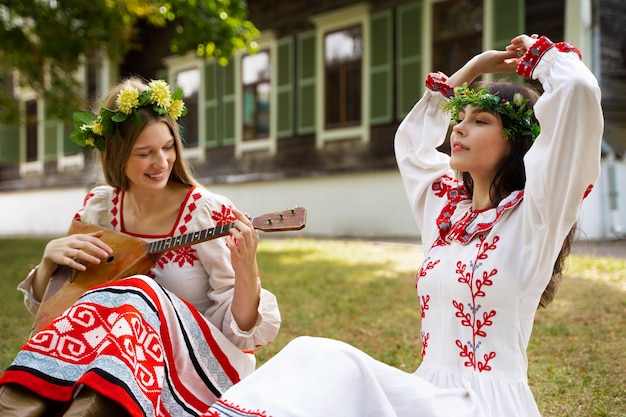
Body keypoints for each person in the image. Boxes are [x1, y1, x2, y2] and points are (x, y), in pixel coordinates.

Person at [199, 33, 603, 417]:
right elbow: (411, 144)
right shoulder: (446, 212)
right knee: (311, 356)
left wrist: (545, 59)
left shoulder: (534, 216)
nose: (458, 128)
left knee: (328, 359)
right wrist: (475, 66)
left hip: (485, 403)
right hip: (428, 394)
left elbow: (579, 97)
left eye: (480, 121)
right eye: (458, 118)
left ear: (516, 141)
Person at [0, 77, 281, 417]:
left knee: (137, 289)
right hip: (104, 366)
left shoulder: (206, 213)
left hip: (195, 372)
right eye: (145, 153)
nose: (161, 162)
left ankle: (92, 407)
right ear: (117, 156)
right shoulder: (101, 208)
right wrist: (48, 264)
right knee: (119, 299)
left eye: (168, 147)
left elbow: (240, 334)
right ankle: (23, 405)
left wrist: (246, 267)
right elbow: (68, 312)